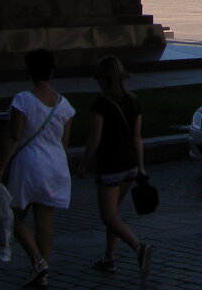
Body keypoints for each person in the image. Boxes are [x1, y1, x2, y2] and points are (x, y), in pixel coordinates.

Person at [0, 49, 75, 289]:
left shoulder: (22, 100)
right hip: (56, 165)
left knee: (14, 216)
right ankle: (43, 271)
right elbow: (65, 142)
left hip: (29, 164)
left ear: (29, 72)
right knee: (45, 219)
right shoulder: (65, 104)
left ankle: (38, 262)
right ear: (51, 71)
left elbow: (14, 137)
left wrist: (0, 168)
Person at [79, 56, 152, 279]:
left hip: (111, 166)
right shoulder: (134, 101)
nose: (96, 81)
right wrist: (141, 167)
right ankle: (109, 259)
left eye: (97, 76)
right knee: (115, 214)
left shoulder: (101, 104)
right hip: (130, 166)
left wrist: (83, 162)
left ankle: (139, 248)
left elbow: (95, 138)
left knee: (108, 217)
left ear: (105, 77)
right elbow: (138, 137)